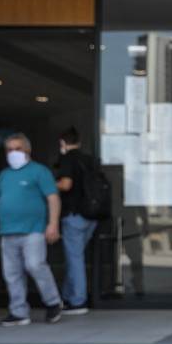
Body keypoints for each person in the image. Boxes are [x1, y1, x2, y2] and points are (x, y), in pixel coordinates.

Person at [0, 132, 63, 327]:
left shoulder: (39, 172)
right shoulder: (4, 175)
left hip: (33, 230)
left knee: (35, 265)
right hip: (7, 231)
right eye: (9, 150)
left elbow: (53, 198)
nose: (13, 153)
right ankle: (19, 312)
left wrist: (53, 224)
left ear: (27, 150)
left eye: (17, 149)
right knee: (11, 273)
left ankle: (52, 302)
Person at [54, 127, 98, 315]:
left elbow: (66, 184)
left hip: (74, 215)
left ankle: (78, 301)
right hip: (92, 215)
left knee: (74, 259)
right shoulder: (90, 160)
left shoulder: (67, 159)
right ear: (79, 142)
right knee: (76, 256)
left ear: (62, 143)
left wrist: (48, 184)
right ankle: (67, 296)